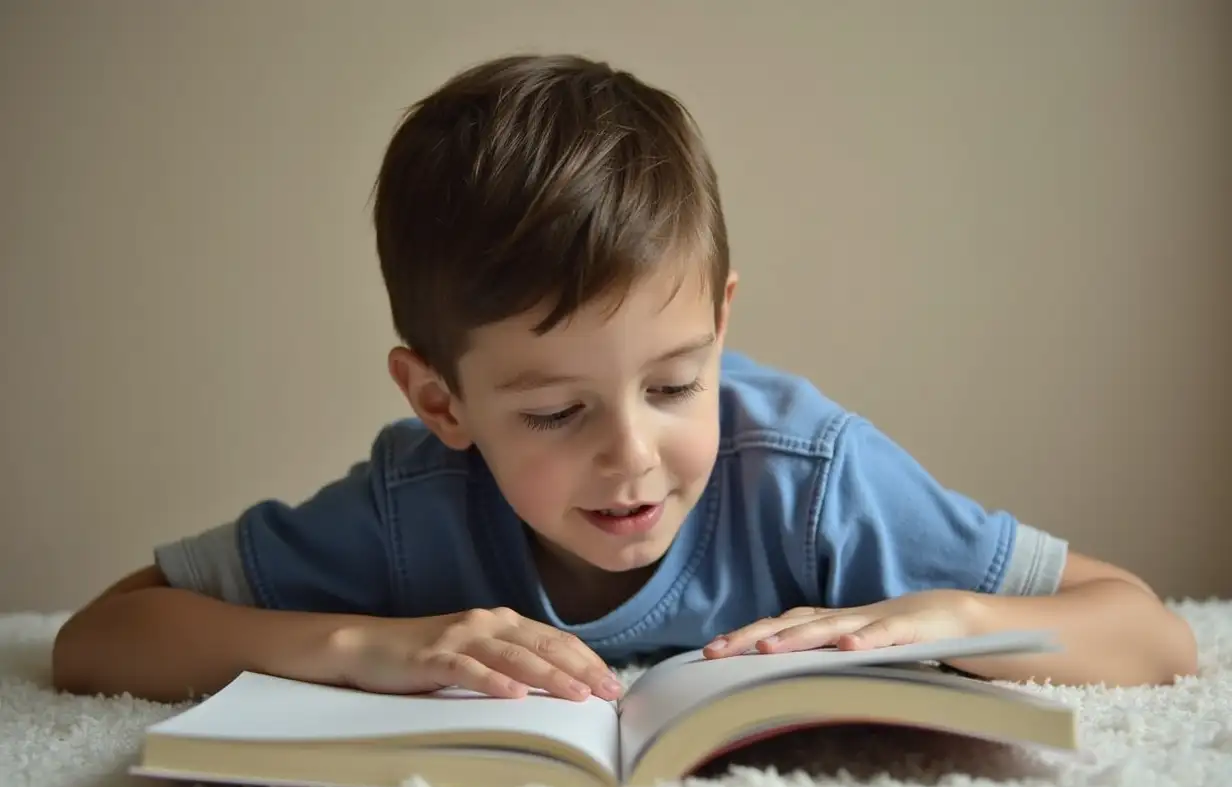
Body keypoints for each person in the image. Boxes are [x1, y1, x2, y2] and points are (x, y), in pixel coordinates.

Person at [52, 53, 1197, 705]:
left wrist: (957, 620)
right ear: (439, 401)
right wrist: (364, 647)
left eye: (673, 384)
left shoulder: (806, 477)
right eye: (554, 410)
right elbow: (99, 638)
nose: (632, 457)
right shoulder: (413, 505)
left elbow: (1149, 631)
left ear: (720, 323)